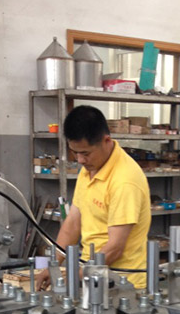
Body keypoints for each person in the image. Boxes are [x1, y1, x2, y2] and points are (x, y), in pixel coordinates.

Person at [36, 105, 151, 290]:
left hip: (123, 285)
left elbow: (115, 247)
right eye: (75, 152)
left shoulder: (125, 180)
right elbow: (73, 222)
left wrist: (75, 277)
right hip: (92, 275)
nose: (80, 160)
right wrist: (54, 264)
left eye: (85, 153)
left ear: (106, 140)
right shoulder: (90, 167)